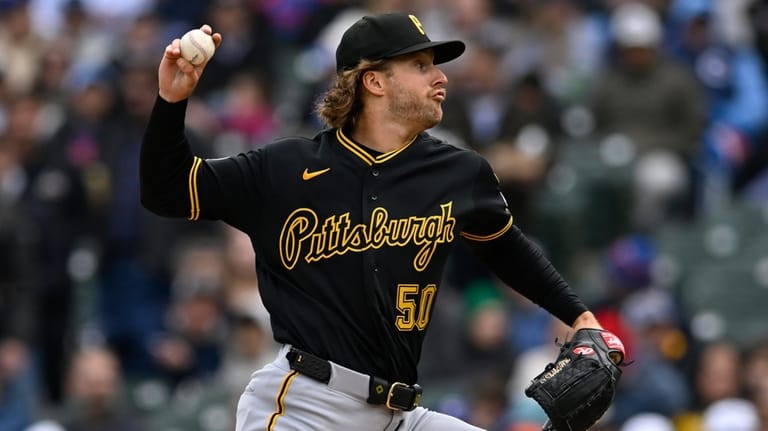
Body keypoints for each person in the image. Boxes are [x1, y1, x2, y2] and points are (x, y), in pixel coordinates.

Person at [140, 12, 610, 431]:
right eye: (421, 66)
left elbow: (507, 248)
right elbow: (167, 191)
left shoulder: (460, 173)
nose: (440, 78)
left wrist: (580, 316)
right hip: (305, 407)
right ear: (374, 81)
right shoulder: (283, 168)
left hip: (401, 414)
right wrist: (170, 102)